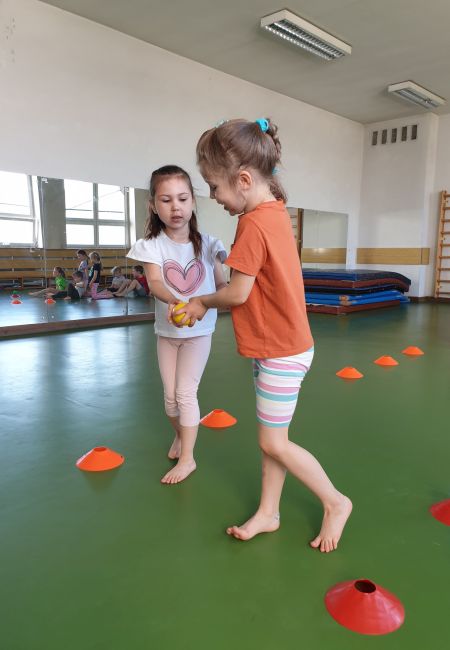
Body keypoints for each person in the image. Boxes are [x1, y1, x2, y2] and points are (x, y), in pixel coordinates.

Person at [174, 118, 352, 553]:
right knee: (272, 438)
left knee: (273, 441)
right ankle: (269, 512)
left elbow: (238, 292)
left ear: (243, 180)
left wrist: (200, 303)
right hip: (280, 345)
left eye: (214, 186)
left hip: (282, 350)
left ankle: (335, 501)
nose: (214, 196)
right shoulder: (274, 212)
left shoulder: (253, 223)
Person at [127, 165, 227, 484]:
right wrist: (174, 302)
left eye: (182, 199)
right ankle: (182, 436)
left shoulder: (209, 244)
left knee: (185, 394)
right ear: (153, 205)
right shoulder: (151, 245)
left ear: (193, 202)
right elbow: (155, 282)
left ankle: (188, 459)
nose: (175, 207)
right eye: (166, 200)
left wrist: (211, 301)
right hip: (167, 333)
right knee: (170, 399)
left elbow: (222, 286)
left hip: (199, 333)